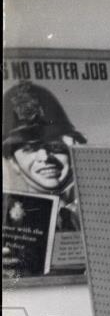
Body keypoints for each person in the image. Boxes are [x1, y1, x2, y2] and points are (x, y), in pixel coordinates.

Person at [2, 81, 87, 233]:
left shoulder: (98, 211)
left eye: (54, 145)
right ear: (13, 162)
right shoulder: (9, 225)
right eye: (29, 149)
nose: (44, 157)